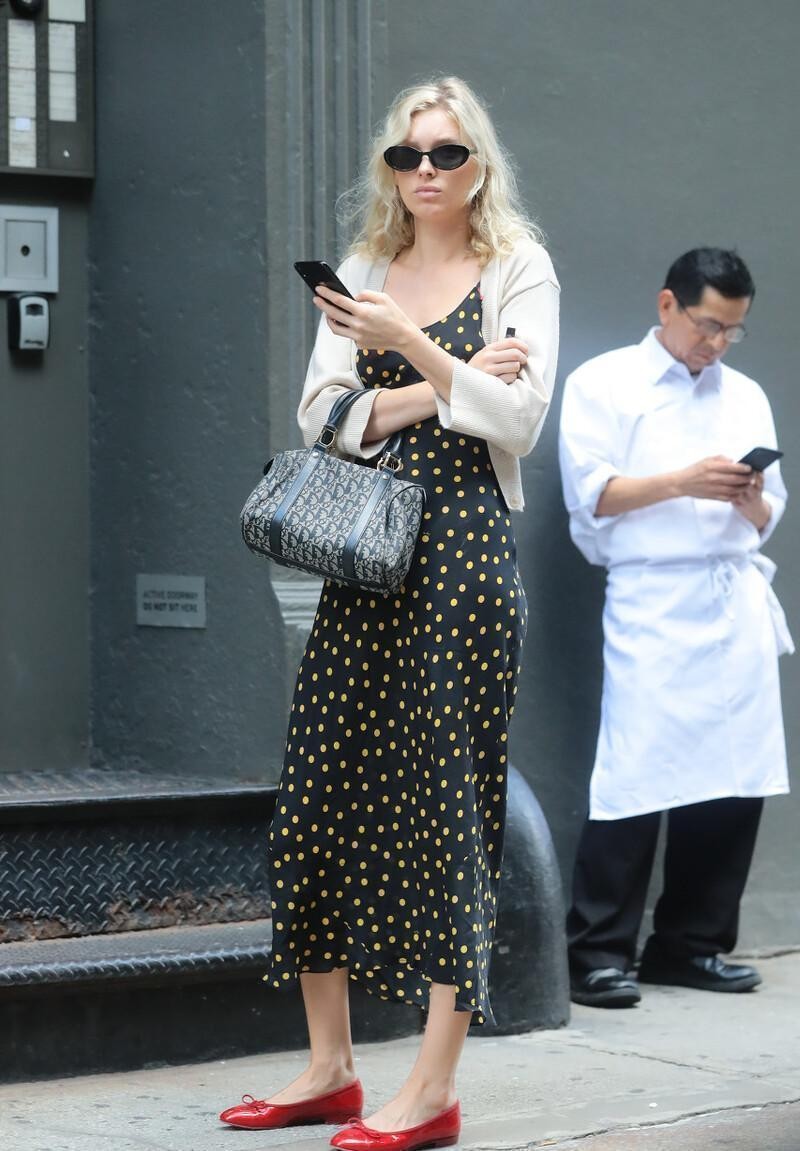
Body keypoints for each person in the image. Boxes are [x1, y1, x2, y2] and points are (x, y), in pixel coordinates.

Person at [220, 77, 559, 1149]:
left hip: (462, 564)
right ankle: (329, 1066)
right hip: (366, 561)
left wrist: (408, 345)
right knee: (314, 796)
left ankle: (432, 1087)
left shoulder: (518, 266)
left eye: (446, 154)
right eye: (406, 155)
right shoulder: (364, 269)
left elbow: (519, 420)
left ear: (478, 165)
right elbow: (322, 417)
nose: (424, 171)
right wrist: (446, 382)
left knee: (448, 810)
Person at [559, 248, 792, 1010]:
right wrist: (683, 481)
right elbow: (591, 497)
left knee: (735, 775)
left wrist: (747, 497)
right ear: (667, 305)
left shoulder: (746, 395)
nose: (717, 343)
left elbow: (771, 510)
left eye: (732, 330)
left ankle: (692, 943)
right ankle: (597, 950)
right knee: (635, 769)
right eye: (706, 325)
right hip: (653, 593)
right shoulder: (602, 383)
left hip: (732, 591)